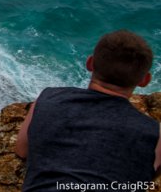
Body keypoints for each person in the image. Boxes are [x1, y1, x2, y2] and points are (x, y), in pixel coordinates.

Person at [15, 30, 161, 191]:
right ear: (144, 80)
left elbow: (22, 150)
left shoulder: (49, 98)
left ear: (90, 63)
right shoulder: (154, 134)